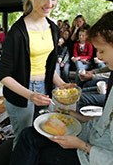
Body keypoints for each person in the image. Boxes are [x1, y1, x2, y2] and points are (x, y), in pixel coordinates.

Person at [10, 10, 113, 165]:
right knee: (28, 135)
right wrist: (77, 116)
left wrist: (81, 145)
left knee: (43, 155)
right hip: (92, 135)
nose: (98, 56)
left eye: (102, 50)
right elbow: (106, 121)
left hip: (93, 154)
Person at [0, 0, 66, 148]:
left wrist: (62, 84)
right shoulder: (17, 32)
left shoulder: (53, 28)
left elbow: (48, 66)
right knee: (22, 140)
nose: (49, 4)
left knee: (44, 133)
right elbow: (4, 75)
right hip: (22, 92)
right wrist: (30, 95)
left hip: (45, 89)